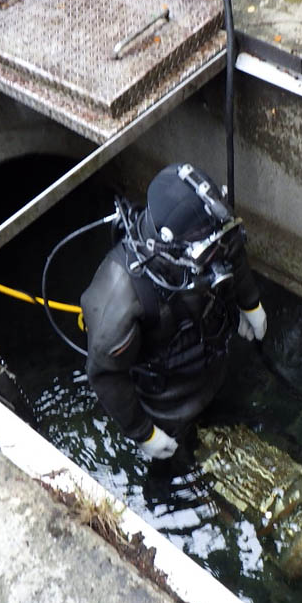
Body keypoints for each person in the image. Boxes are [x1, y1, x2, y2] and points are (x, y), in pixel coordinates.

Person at [80, 163, 267, 460]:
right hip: (168, 404)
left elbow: (231, 249)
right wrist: (144, 433)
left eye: (221, 237)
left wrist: (250, 302)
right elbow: (105, 375)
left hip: (214, 364)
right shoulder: (119, 297)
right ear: (171, 249)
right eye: (207, 252)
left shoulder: (209, 229)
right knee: (177, 465)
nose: (218, 252)